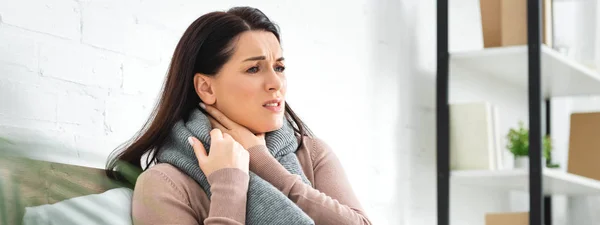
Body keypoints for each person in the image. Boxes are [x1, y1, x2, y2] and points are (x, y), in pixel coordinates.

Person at [105, 6, 372, 225]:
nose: (276, 83)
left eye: (279, 67)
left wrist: (265, 165)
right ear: (206, 88)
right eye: (254, 69)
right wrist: (227, 184)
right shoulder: (166, 185)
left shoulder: (311, 154)